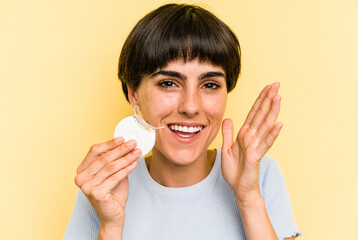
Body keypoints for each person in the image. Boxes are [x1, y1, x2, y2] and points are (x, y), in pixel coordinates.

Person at [63, 3, 301, 240]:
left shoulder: (260, 175)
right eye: (168, 83)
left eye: (210, 85)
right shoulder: (103, 187)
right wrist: (111, 227)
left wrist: (248, 197)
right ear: (134, 93)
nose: (190, 107)